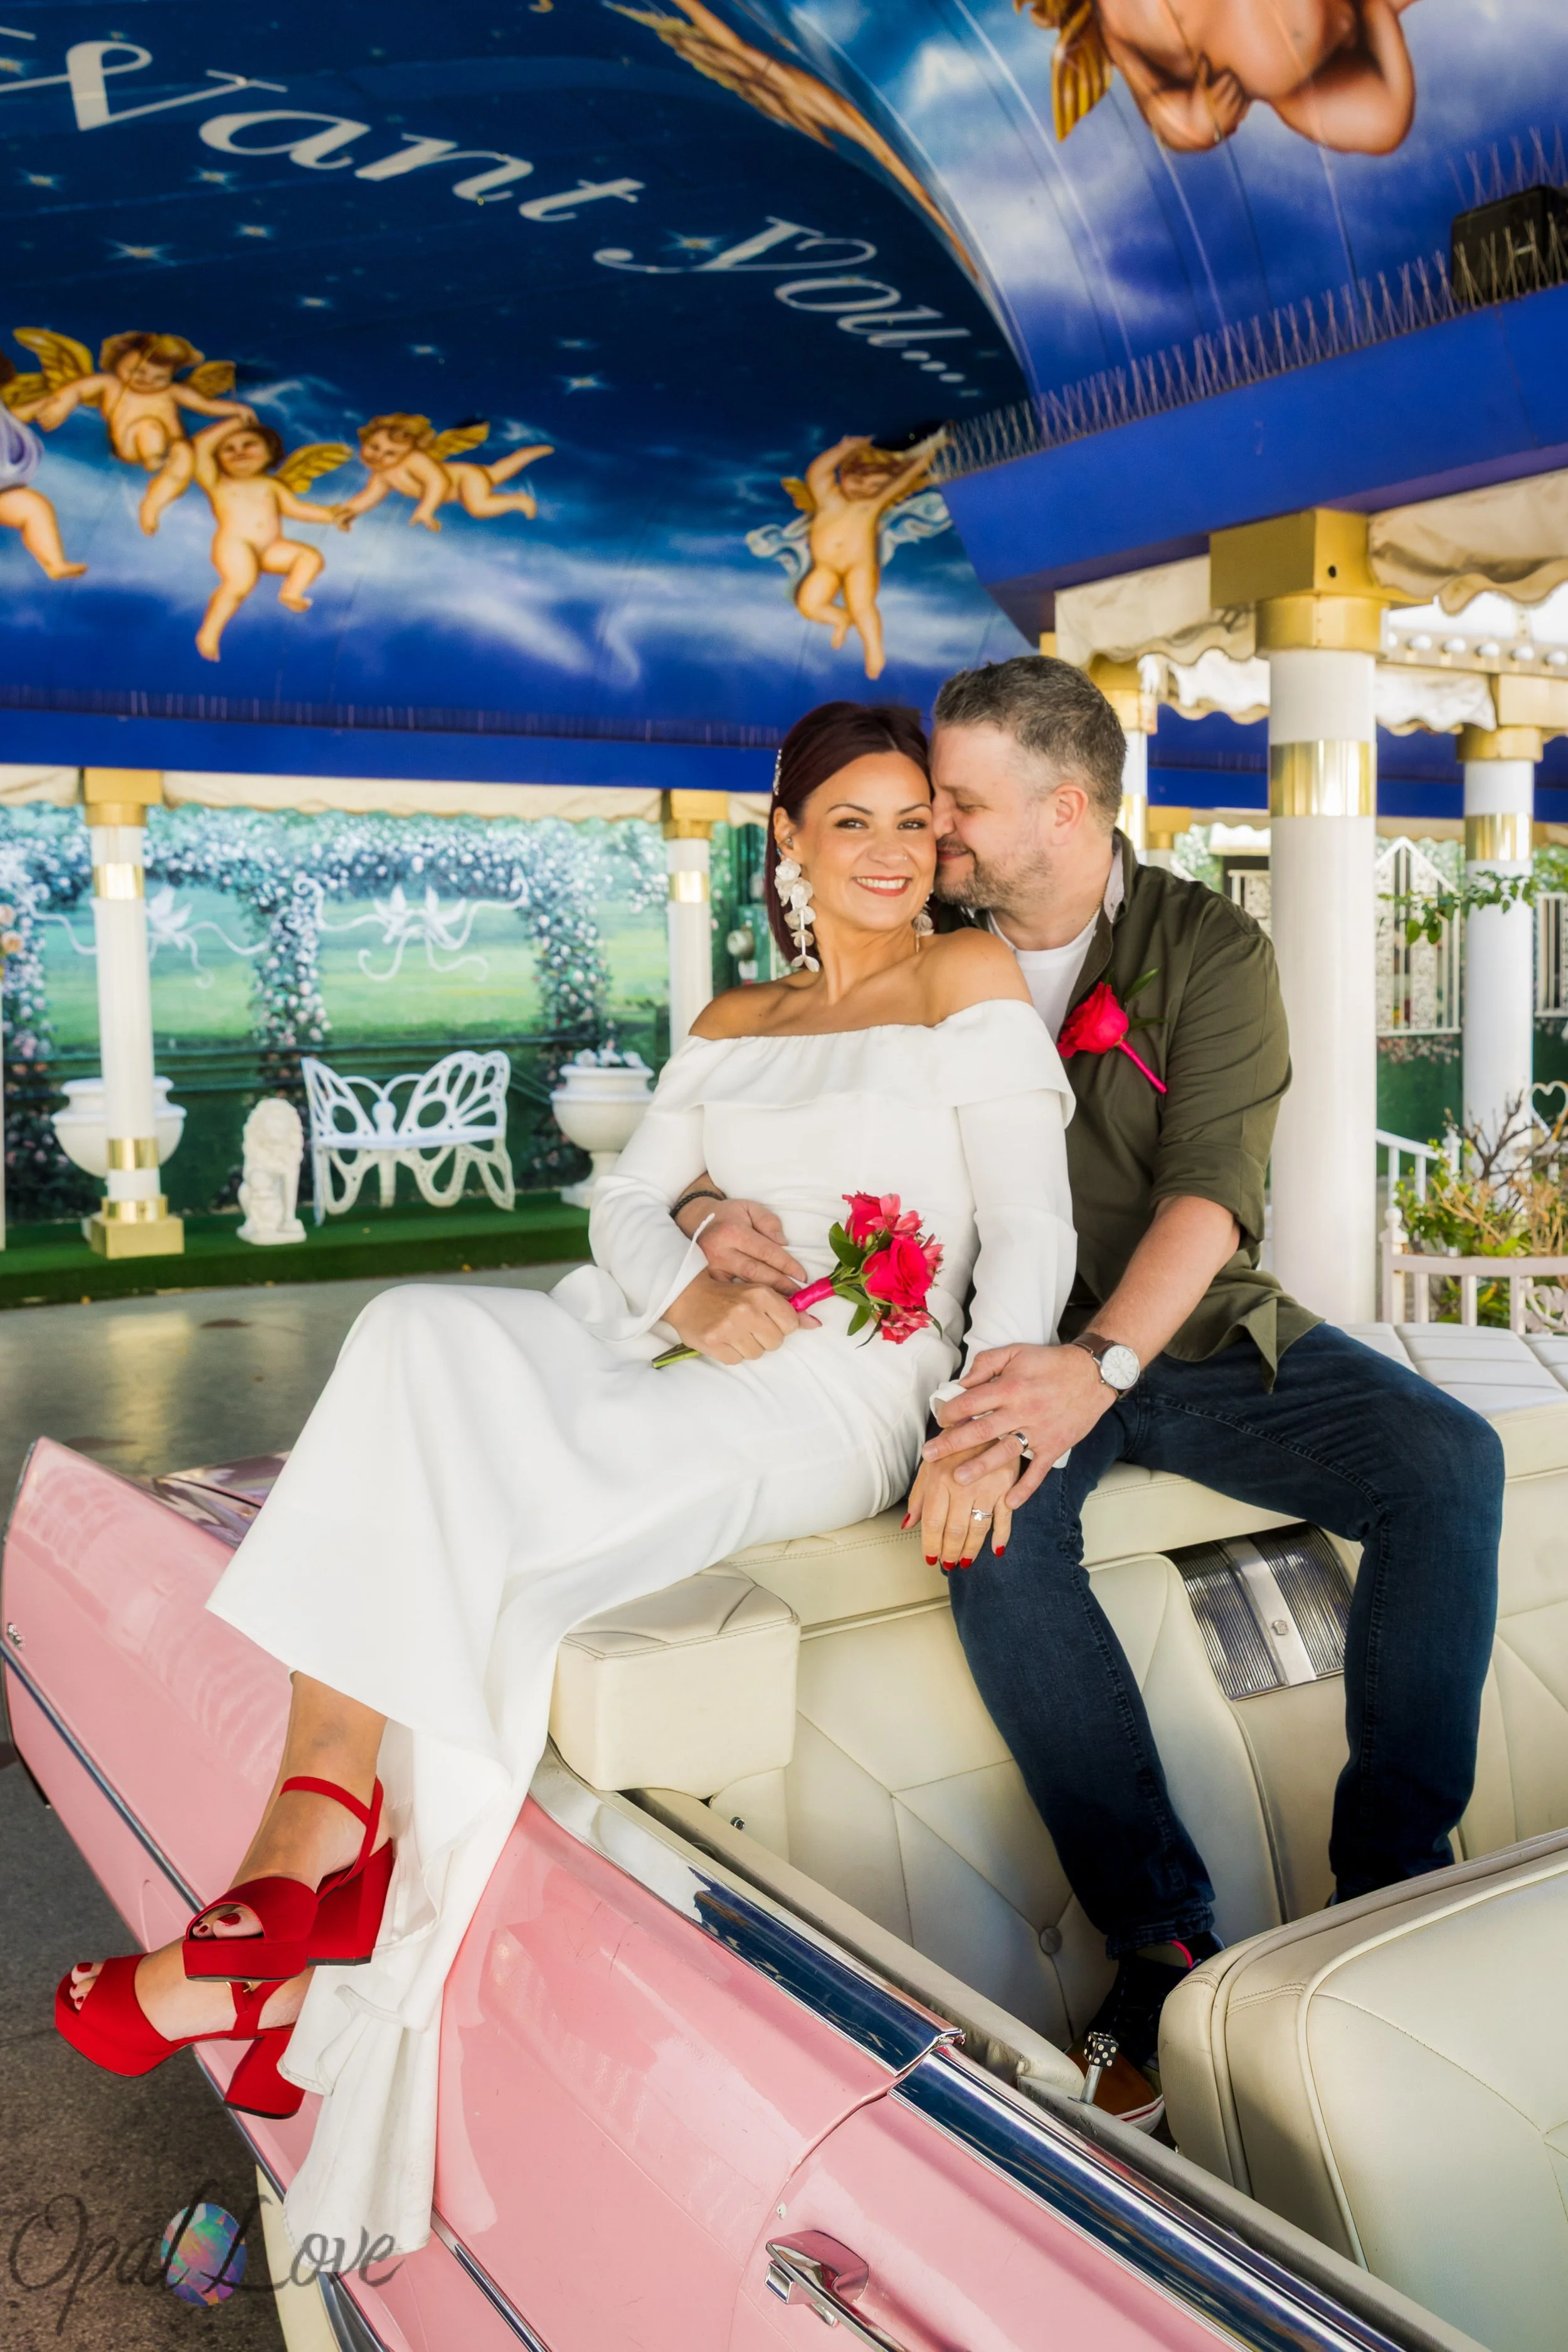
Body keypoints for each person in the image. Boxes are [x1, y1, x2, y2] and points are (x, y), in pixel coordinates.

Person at [54, 698, 1076, 2254]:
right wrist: (684, 1278)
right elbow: (624, 1207)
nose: (887, 853)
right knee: (408, 1334)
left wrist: (984, 1426)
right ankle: (308, 1832)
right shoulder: (737, 1018)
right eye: (847, 822)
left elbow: (1033, 1236)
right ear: (786, 842)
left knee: (491, 1504)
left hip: (853, 1382)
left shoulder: (967, 977)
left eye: (908, 822)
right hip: (681, 1341)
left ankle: (291, 1893)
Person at [681, 654, 1503, 2119]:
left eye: (955, 802)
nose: (925, 830)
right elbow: (749, 1097)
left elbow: (1207, 1200)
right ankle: (1156, 1935)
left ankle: (1386, 1883)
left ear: (1064, 809)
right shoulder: (916, 931)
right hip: (979, 1338)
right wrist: (693, 1217)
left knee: (1448, 1463)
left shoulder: (1209, 951)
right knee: (999, 1544)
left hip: (1180, 1335)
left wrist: (1099, 1365)